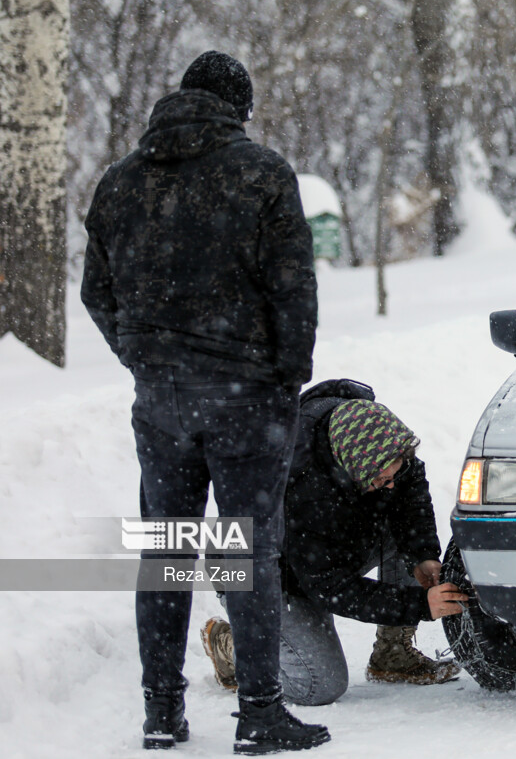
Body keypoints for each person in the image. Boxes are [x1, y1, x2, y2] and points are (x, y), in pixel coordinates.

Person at [81, 51, 327, 753]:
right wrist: (285, 382)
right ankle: (260, 711)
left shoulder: (120, 183)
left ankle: (162, 711)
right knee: (247, 552)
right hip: (247, 398)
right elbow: (294, 294)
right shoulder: (261, 175)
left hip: (162, 402)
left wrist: (147, 358)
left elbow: (96, 295)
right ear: (238, 108)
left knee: (167, 551)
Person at [200, 379, 469, 706]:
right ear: (353, 466)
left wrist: (423, 555)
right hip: (257, 574)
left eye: (393, 475)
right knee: (319, 684)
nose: (389, 485)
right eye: (380, 479)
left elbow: (409, 494)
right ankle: (232, 643)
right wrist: (419, 605)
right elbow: (330, 588)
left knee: (404, 529)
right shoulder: (304, 491)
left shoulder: (378, 442)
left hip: (322, 553)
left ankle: (392, 654)